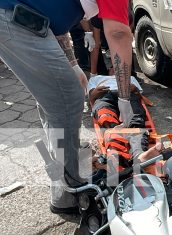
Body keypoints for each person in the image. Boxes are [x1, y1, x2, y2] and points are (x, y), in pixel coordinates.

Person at [0, 0, 134, 215]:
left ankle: (63, 186)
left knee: (54, 100)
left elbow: (54, 24)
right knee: (66, 99)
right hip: (14, 18)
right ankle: (71, 189)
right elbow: (118, 33)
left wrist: (72, 65)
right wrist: (124, 97)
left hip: (26, 20)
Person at [88, 74, 164, 171]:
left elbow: (137, 92)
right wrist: (95, 92)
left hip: (127, 95)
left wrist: (133, 88)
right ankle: (116, 155)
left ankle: (139, 155)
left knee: (136, 119)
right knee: (106, 117)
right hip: (104, 96)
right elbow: (91, 98)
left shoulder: (129, 76)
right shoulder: (95, 79)